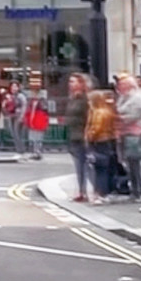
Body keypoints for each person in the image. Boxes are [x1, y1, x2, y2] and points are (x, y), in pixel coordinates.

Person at [114, 74, 141, 200]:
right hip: (124, 133)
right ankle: (134, 189)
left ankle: (138, 190)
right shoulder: (123, 98)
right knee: (128, 164)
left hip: (134, 134)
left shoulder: (137, 98)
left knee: (134, 163)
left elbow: (133, 116)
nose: (119, 87)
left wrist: (117, 118)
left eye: (122, 84)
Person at [85, 86, 119, 203]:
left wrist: (90, 137)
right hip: (107, 140)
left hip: (100, 141)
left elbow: (96, 128)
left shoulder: (99, 113)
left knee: (100, 169)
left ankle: (100, 193)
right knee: (104, 169)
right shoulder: (108, 111)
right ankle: (103, 193)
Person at [63, 72, 92, 202]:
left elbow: (89, 117)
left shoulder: (86, 99)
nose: (70, 84)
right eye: (70, 81)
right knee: (78, 165)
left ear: (81, 84)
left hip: (82, 135)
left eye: (73, 81)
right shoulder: (72, 98)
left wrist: (87, 133)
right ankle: (81, 190)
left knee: (84, 165)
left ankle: (85, 191)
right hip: (73, 134)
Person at [25, 91, 49, 160]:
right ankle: (34, 152)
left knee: (38, 138)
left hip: (38, 122)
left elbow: (45, 112)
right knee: (33, 138)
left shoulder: (41, 103)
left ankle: (37, 152)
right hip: (33, 122)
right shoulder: (31, 102)